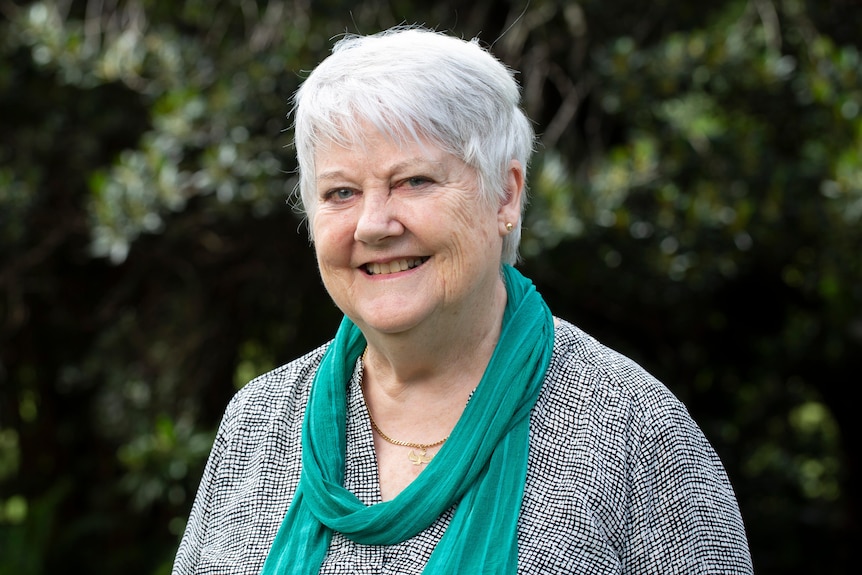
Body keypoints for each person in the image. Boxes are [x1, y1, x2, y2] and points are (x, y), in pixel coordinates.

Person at [172, 26, 753, 575]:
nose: (373, 225)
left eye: (414, 182)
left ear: (506, 194)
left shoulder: (631, 431)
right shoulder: (258, 422)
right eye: (341, 192)